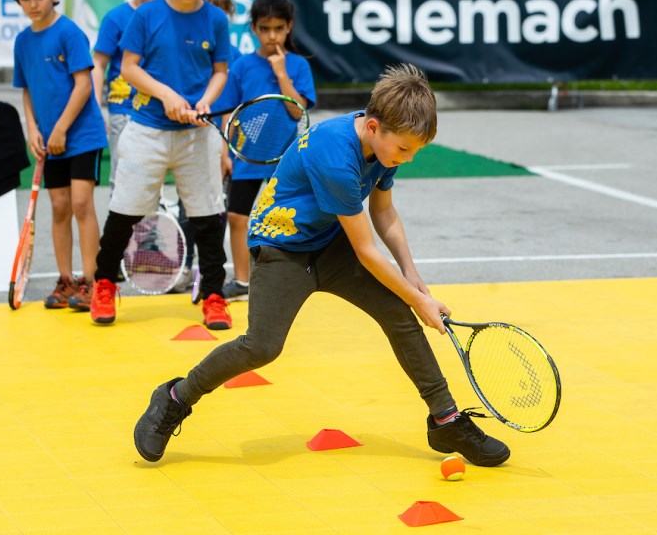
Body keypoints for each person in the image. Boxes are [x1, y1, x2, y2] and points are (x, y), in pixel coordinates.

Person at [133, 64, 511, 468]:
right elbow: (366, 251)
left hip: (328, 241)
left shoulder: (386, 141)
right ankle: (175, 398)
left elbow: (384, 213)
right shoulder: (336, 156)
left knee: (398, 312)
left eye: (415, 150)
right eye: (405, 150)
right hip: (281, 249)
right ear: (373, 127)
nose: (409, 158)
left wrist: (411, 276)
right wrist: (420, 301)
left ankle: (446, 420)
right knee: (261, 347)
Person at [88, 0, 232, 329]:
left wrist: (205, 101)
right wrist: (166, 94)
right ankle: (104, 285)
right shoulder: (146, 15)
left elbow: (220, 71)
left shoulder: (216, 20)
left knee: (208, 218)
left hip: (197, 134)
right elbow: (129, 67)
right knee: (124, 213)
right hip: (146, 130)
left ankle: (214, 295)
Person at [10, 0, 107, 311]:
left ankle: (92, 281)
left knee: (81, 204)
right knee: (60, 207)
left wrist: (61, 129)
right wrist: (32, 129)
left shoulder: (69, 33)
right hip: (49, 140)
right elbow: (26, 90)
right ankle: (66, 280)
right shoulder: (22, 41)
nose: (33, 4)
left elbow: (83, 86)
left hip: (81, 136)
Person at [221, 0, 316, 302]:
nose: (272, 35)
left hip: (286, 159)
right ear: (253, 28)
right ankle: (242, 281)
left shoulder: (298, 66)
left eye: (278, 28)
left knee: (283, 221)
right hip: (247, 157)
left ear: (289, 27)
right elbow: (229, 113)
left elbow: (297, 111)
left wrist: (281, 73)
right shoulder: (241, 66)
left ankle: (287, 279)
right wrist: (225, 152)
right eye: (265, 29)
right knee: (237, 218)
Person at [167, 0, 246, 295]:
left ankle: (210, 271)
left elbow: (230, 107)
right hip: (188, 140)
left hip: (220, 144)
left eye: (223, 10)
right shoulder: (186, 51)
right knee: (187, 208)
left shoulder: (233, 57)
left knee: (215, 212)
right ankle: (185, 267)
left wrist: (225, 151)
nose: (216, 16)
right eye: (212, 8)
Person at [91, 0, 167, 196]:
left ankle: (151, 222)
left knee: (152, 177)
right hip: (124, 110)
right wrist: (95, 108)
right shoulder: (116, 18)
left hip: (158, 110)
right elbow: (99, 64)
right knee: (123, 176)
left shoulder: (168, 17)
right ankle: (120, 223)